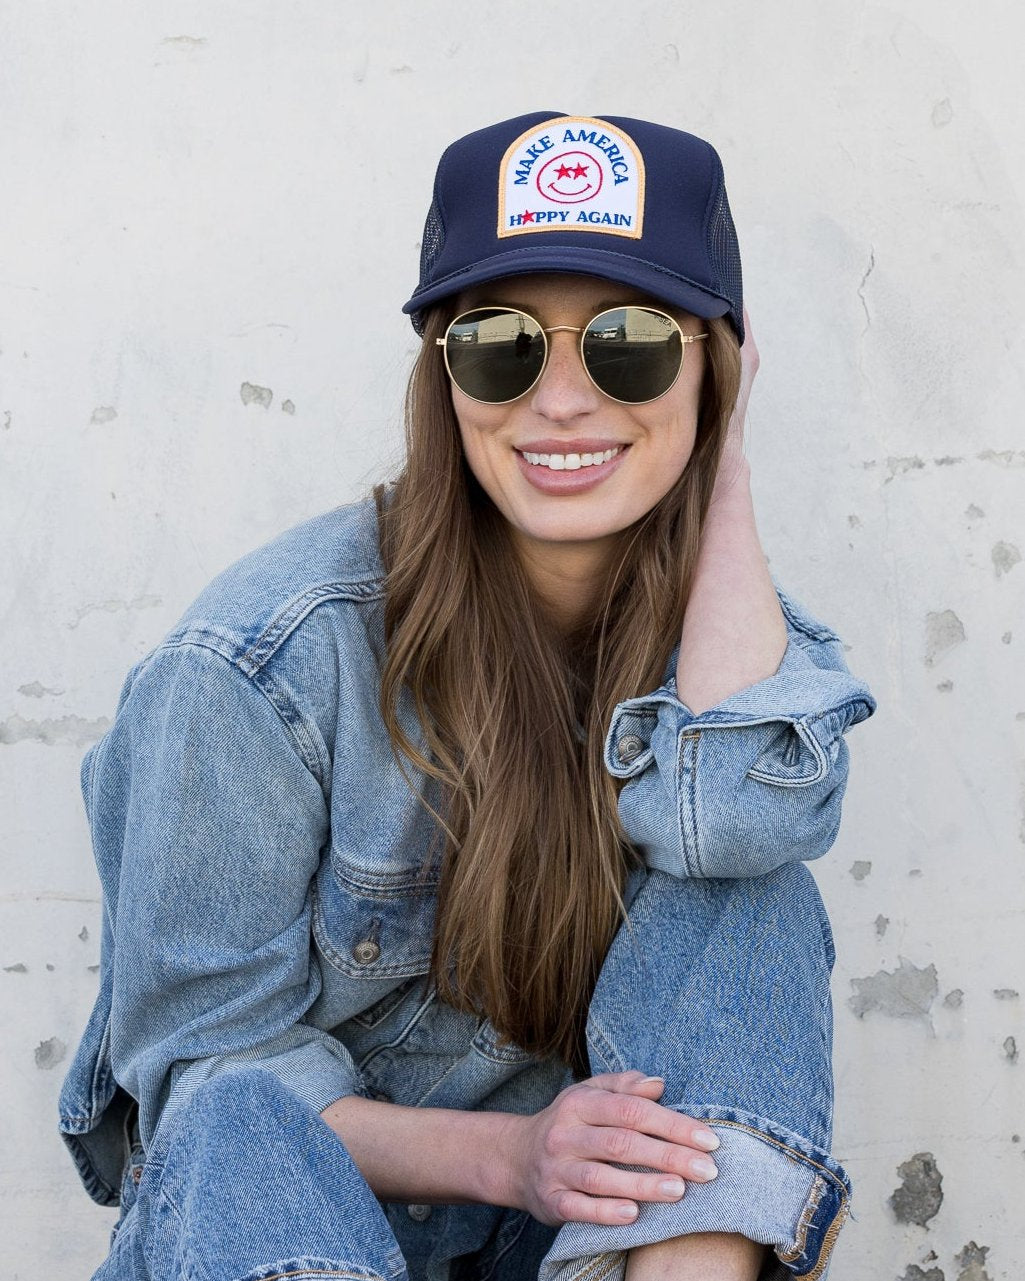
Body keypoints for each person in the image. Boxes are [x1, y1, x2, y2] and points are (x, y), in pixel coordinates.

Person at [59, 112, 875, 1281]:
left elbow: (738, 819)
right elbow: (201, 1096)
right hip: (293, 1241)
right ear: (444, 376)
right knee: (239, 1115)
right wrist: (515, 1155)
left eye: (629, 345)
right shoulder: (255, 665)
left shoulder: (719, 640)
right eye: (498, 346)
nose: (558, 401)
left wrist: (725, 465)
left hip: (577, 1252)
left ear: (714, 360)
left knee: (749, 900)